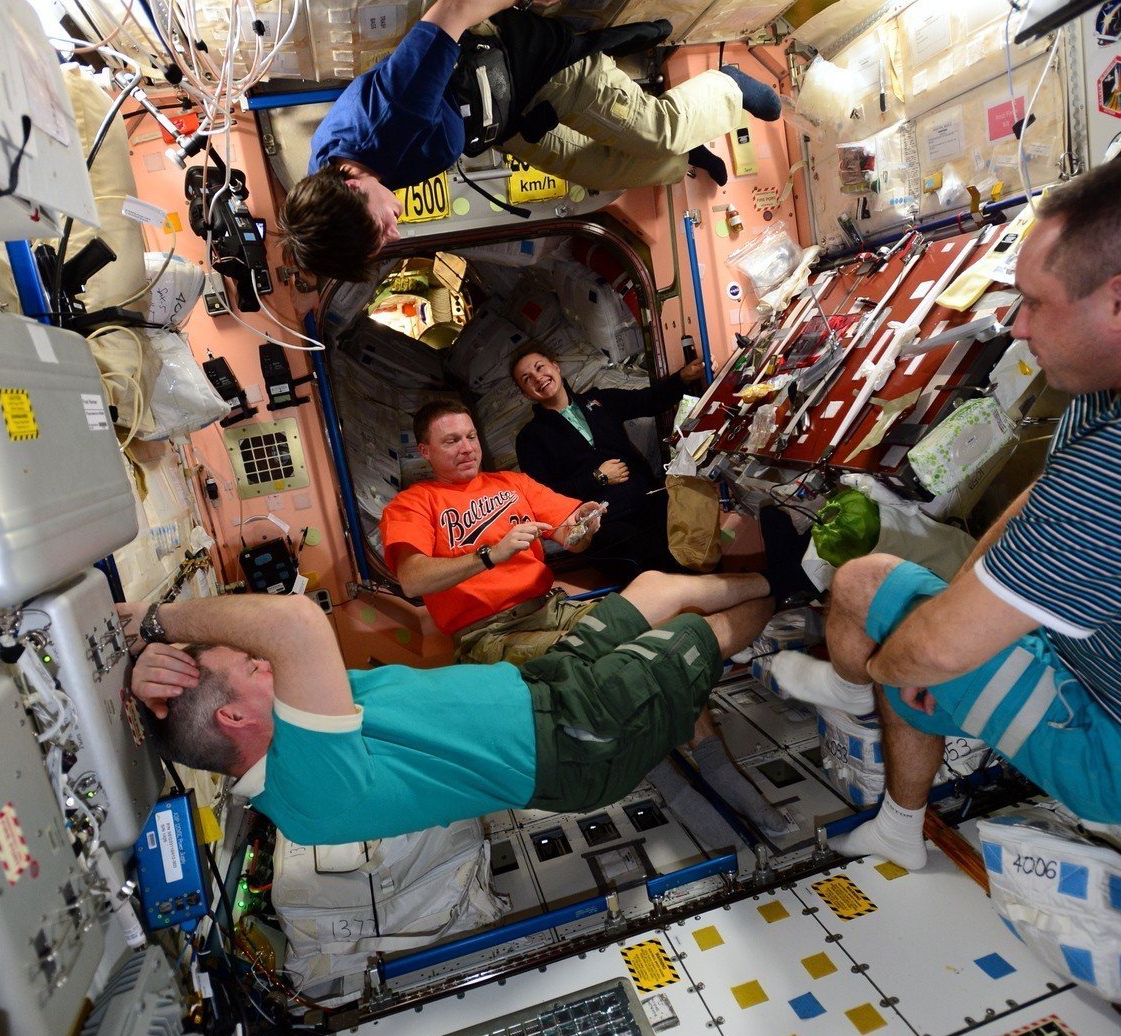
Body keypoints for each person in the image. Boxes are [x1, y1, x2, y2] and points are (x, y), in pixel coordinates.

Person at [756, 156, 1121, 870]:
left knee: (872, 603)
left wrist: (896, 662)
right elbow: (1050, 493)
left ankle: (870, 741)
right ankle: (892, 782)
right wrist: (956, 613)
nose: (1017, 325)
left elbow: (938, 649)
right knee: (916, 615)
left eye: (1036, 302)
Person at [382, 399, 795, 836]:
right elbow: (412, 578)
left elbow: (571, 535)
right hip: (490, 635)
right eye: (451, 441)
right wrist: (489, 555)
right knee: (623, 665)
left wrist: (583, 526)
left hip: (551, 608)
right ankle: (666, 778)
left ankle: (713, 756)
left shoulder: (511, 483)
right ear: (425, 451)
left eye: (470, 437)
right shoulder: (413, 504)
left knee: (664, 623)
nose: (466, 448)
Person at [120, 573, 773, 845]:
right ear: (234, 720)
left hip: (539, 686)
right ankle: (799, 590)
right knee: (697, 636)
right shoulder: (307, 790)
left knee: (654, 590)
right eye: (250, 668)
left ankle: (779, 574)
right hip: (577, 739)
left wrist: (153, 662)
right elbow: (292, 623)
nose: (265, 663)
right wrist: (157, 621)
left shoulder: (291, 727)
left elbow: (278, 642)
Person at [278, 0, 784, 282]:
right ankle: (688, 156)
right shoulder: (332, 172)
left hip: (529, 66)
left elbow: (454, 6)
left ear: (353, 186)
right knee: (601, 173)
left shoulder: (391, 112)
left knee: (659, 129)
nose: (395, 231)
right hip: (502, 119)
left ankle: (730, 86)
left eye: (379, 228)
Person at [511, 344, 702, 580]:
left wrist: (683, 378)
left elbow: (649, 400)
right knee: (654, 568)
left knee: (693, 547)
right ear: (526, 393)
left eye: (540, 367)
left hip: (646, 498)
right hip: (605, 524)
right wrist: (596, 478)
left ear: (555, 367)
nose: (538, 378)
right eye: (527, 378)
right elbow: (543, 496)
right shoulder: (530, 437)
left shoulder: (598, 400)